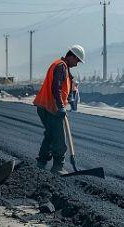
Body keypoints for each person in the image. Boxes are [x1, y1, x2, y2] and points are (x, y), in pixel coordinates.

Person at [33, 45, 85, 175]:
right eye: (77, 60)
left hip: (45, 106)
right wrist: (61, 106)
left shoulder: (62, 66)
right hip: (51, 108)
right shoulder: (61, 66)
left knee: (50, 135)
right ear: (71, 56)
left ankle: (41, 163)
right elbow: (56, 87)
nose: (77, 64)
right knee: (59, 138)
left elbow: (63, 87)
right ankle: (58, 167)